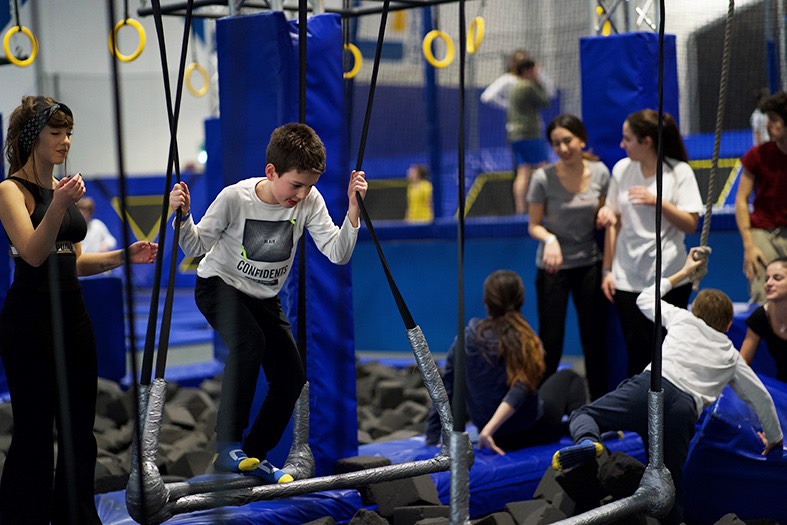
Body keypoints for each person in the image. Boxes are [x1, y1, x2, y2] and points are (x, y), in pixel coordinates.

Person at [169, 122, 368, 484]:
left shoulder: (309, 202)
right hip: (219, 285)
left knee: (292, 377)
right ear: (271, 172)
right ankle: (228, 445)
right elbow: (195, 247)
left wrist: (353, 209)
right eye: (296, 185)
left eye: (310, 186)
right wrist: (182, 216)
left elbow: (338, 253)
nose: (302, 194)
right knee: (250, 344)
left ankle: (252, 457)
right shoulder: (235, 198)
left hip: (264, 298)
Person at [0, 96, 157, 524]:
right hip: (30, 324)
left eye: (69, 133)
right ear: (33, 138)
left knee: (79, 433)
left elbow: (73, 260)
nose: (66, 141)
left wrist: (124, 256)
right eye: (56, 133)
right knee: (34, 432)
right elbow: (33, 254)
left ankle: (77, 514)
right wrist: (57, 206)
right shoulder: (11, 190)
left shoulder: (58, 191)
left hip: (73, 320)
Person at [552, 248, 783, 525]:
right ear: (729, 324)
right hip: (681, 412)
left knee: (584, 415)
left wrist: (683, 274)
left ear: (694, 311)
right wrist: (774, 438)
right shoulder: (731, 355)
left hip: (650, 390)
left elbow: (645, 299)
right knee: (668, 488)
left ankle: (589, 441)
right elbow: (761, 398)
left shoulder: (682, 319)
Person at [425, 270, 588, 453]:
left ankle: (572, 427)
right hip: (525, 431)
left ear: (487, 303)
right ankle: (585, 431)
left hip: (493, 433)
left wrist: (432, 437)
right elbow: (521, 388)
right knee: (569, 378)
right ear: (520, 300)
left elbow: (446, 389)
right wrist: (489, 430)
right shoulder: (522, 340)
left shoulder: (465, 339)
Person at [598, 109, 703, 378]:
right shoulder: (622, 169)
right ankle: (641, 416)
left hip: (669, 275)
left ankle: (669, 414)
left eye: (627, 139)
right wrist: (607, 270)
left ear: (646, 141)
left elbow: (690, 223)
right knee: (638, 350)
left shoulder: (678, 172)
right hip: (627, 276)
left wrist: (658, 201)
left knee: (668, 350)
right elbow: (614, 220)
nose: (622, 145)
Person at [526, 114, 612, 400]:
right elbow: (533, 225)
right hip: (553, 267)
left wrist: (604, 214)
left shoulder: (600, 173)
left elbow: (604, 212)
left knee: (594, 339)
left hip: (588, 263)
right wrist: (550, 239)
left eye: (567, 141)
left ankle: (600, 404)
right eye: (556, 143)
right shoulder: (542, 178)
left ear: (581, 140)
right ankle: (542, 408)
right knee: (551, 340)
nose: (563, 148)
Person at [735, 91, 787, 305]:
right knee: (763, 294)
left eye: (773, 119)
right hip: (762, 233)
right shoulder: (756, 155)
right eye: (766, 119)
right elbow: (741, 199)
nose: (767, 125)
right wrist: (749, 245)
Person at [507, 55, 552, 215]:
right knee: (543, 167)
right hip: (529, 133)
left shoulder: (516, 86)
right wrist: (538, 81)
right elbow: (545, 101)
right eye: (534, 70)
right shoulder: (528, 86)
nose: (536, 72)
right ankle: (549, 206)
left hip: (515, 135)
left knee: (523, 170)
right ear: (527, 71)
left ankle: (520, 210)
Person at [740, 257, 787, 382]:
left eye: (777, 278)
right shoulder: (761, 316)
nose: (768, 283)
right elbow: (742, 362)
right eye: (767, 279)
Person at [480, 49, 556, 111]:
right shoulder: (507, 79)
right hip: (517, 125)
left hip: (533, 123)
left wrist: (539, 73)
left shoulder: (533, 80)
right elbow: (486, 96)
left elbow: (551, 93)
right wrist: (509, 106)